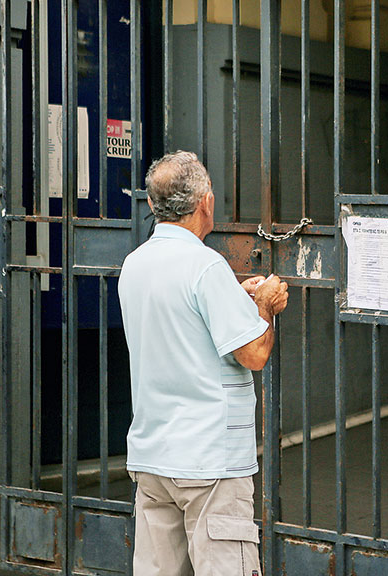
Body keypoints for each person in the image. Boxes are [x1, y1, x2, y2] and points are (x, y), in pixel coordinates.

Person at [118, 151, 288, 576]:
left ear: (155, 205)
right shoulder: (205, 266)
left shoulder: (134, 265)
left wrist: (232, 293)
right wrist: (264, 306)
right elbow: (254, 354)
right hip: (209, 463)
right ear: (205, 202)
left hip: (153, 457)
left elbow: (180, 316)